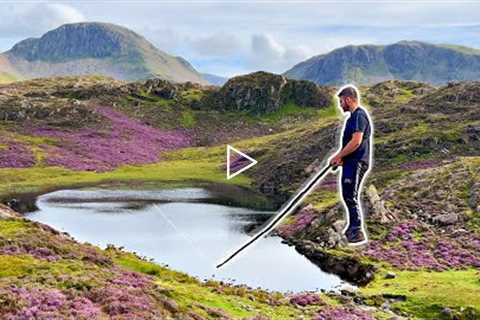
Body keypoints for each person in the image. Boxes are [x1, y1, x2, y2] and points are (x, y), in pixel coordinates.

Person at [329, 85, 373, 245]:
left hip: (357, 162)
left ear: (348, 99)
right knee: (347, 194)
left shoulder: (359, 116)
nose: (340, 105)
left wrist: (339, 155)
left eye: (341, 101)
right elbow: (352, 143)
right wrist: (342, 159)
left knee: (350, 195)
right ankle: (353, 228)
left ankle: (356, 230)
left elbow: (356, 141)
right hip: (351, 162)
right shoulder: (352, 117)